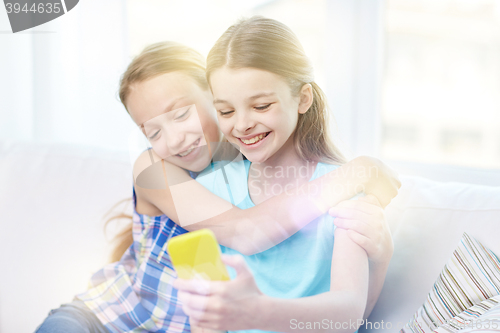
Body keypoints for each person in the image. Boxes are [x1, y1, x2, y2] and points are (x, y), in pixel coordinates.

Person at [34, 39, 399, 333]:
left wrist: (379, 254)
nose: (175, 140)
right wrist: (358, 172)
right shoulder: (152, 167)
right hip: (101, 321)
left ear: (214, 95)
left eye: (181, 114)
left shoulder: (250, 164)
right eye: (153, 131)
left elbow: (347, 313)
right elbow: (248, 231)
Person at [173, 16, 396, 333]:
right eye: (225, 111)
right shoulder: (208, 190)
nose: (242, 124)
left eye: (261, 106)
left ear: (303, 99)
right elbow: (204, 322)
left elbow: (348, 313)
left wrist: (257, 312)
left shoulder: (345, 189)